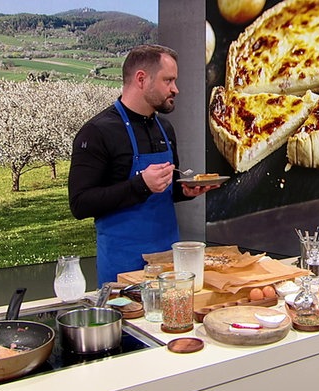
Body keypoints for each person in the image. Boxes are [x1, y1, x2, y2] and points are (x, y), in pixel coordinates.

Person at [68, 44, 219, 285]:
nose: (176, 89)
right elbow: (80, 204)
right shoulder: (97, 132)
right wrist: (140, 185)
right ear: (141, 79)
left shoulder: (165, 129)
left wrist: (185, 190)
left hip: (169, 265)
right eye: (168, 80)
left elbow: (166, 191)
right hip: (123, 271)